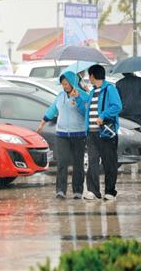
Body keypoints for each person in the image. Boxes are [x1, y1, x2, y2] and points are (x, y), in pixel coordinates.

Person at [70, 64, 122, 201]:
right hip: (91, 133)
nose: (88, 78)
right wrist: (78, 99)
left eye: (89, 75)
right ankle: (93, 191)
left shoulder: (110, 89)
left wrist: (103, 115)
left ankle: (110, 191)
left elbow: (117, 106)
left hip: (105, 132)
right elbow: (86, 111)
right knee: (92, 162)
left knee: (109, 162)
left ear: (93, 76)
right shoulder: (93, 92)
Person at [36, 71, 87, 200]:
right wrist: (42, 122)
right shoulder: (60, 96)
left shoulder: (83, 95)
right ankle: (60, 191)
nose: (64, 86)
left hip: (79, 134)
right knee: (62, 162)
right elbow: (53, 109)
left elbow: (85, 112)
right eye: (63, 84)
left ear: (72, 82)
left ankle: (78, 191)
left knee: (78, 164)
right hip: (62, 134)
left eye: (66, 84)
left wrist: (78, 98)